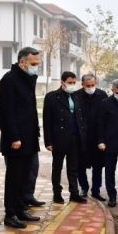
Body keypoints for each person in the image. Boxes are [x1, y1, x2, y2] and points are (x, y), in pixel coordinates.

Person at [0, 47, 43, 229]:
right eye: (33, 64)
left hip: (29, 138)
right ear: (22, 61)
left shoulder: (27, 79)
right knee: (14, 178)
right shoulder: (9, 80)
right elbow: (5, 112)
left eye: (37, 64)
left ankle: (21, 209)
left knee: (25, 177)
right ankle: (10, 214)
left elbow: (29, 110)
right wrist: (14, 137)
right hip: (16, 141)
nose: (35, 67)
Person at [43, 71, 88, 204]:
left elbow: (82, 117)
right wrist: (48, 141)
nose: (72, 85)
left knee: (73, 167)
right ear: (62, 82)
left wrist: (83, 134)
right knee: (57, 167)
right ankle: (57, 193)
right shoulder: (52, 97)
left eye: (74, 83)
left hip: (75, 137)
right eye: (70, 83)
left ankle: (74, 193)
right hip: (59, 138)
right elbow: (47, 121)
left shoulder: (78, 96)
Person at [75, 73, 108, 201]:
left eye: (93, 85)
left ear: (96, 84)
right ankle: (84, 187)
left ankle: (96, 190)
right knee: (80, 165)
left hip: (98, 137)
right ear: (82, 84)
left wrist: (104, 138)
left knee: (98, 166)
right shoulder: (76, 95)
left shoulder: (102, 95)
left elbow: (106, 116)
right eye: (87, 85)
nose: (90, 87)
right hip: (81, 137)